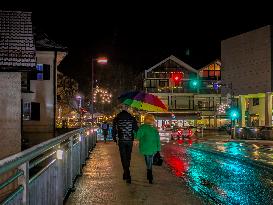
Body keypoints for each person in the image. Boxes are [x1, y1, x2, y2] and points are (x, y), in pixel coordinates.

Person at [112, 105, 138, 184]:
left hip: (121, 140)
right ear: (127, 109)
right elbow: (136, 129)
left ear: (121, 109)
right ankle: (126, 173)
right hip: (129, 140)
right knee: (128, 156)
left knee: (123, 157)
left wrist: (114, 139)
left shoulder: (117, 118)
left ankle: (127, 174)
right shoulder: (132, 118)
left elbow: (114, 130)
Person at [136, 114, 161, 184]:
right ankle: (149, 173)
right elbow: (158, 140)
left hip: (145, 148)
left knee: (148, 160)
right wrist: (158, 149)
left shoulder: (143, 127)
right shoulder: (154, 128)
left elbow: (137, 137)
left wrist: (135, 131)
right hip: (153, 148)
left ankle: (149, 174)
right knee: (150, 160)